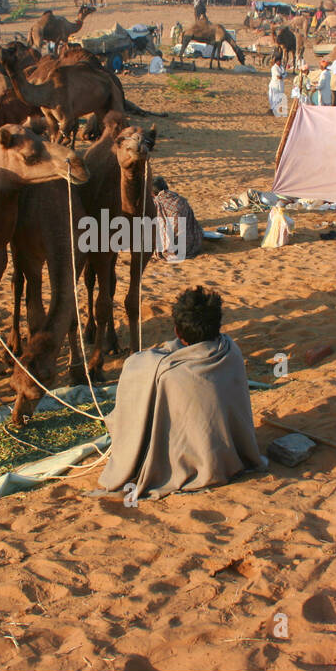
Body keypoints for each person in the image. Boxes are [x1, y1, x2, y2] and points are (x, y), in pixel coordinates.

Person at [98, 287, 266, 501]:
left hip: (190, 466)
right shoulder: (231, 350)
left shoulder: (166, 372)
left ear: (177, 331)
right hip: (231, 458)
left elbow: (138, 366)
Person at [151, 176, 202, 261]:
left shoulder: (156, 203)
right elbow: (193, 222)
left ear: (152, 192)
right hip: (190, 245)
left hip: (171, 248)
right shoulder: (181, 199)